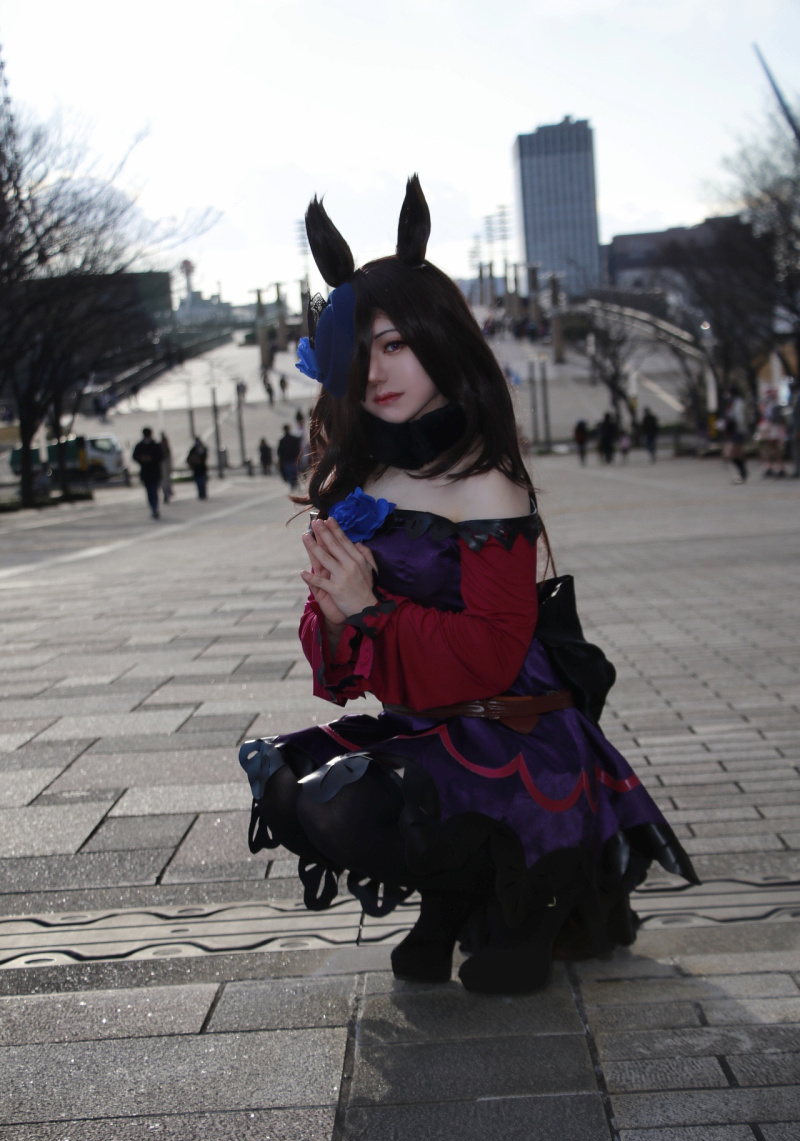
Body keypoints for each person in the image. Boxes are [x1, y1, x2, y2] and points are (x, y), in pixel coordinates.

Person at [239, 178, 697, 995]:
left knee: (347, 803)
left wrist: (371, 608)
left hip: (507, 730)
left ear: (440, 339)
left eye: (395, 345)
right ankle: (451, 899)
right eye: (361, 351)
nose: (376, 372)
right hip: (424, 723)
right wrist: (338, 617)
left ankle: (526, 910)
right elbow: (341, 663)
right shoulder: (364, 477)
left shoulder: (487, 484)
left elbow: (494, 650)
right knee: (291, 790)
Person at [132, 427, 164, 518]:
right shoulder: (141, 445)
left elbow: (160, 456)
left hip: (153, 472)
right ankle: (154, 508)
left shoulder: (154, 445)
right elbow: (135, 456)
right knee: (151, 492)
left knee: (153, 492)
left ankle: (154, 508)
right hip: (147, 472)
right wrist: (142, 459)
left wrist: (151, 458)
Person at [160, 433, 173, 503]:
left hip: (166, 468)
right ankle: (166, 494)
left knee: (167, 482)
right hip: (161, 469)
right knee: (163, 482)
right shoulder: (159, 449)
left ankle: (168, 493)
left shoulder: (167, 449)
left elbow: (170, 460)